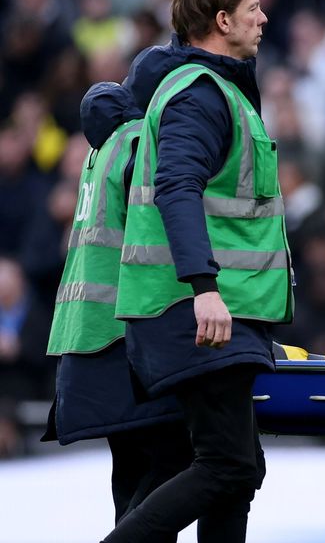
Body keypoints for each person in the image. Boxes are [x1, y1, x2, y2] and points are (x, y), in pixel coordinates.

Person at [104, 0, 291, 542]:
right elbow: (176, 189)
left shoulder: (214, 91)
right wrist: (204, 288)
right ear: (221, 20)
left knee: (236, 471)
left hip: (214, 312)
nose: (263, 17)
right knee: (229, 464)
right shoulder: (200, 95)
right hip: (197, 311)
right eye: (252, 8)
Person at [43, 81, 193, 532]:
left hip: (84, 338)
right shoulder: (135, 143)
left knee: (129, 474)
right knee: (182, 462)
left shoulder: (96, 158)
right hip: (125, 339)